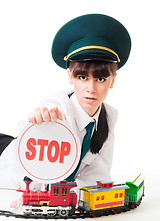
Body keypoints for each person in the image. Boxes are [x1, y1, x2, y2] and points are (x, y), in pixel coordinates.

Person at [0, 14, 131, 190]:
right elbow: (36, 179)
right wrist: (39, 125)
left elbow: (98, 177)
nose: (91, 88)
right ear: (70, 76)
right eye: (82, 77)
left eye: (100, 79)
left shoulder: (108, 118)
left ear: (113, 80)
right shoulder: (57, 109)